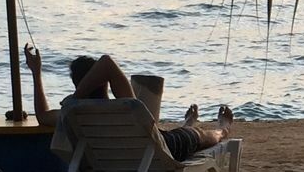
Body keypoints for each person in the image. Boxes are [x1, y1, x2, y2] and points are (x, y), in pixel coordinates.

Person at [25, 47, 233, 160]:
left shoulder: (71, 114)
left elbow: (42, 115)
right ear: (105, 82)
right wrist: (76, 95)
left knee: (175, 132)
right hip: (158, 153)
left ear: (76, 82)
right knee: (203, 136)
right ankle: (222, 128)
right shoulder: (125, 106)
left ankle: (188, 123)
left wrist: (36, 72)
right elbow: (106, 61)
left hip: (114, 162)